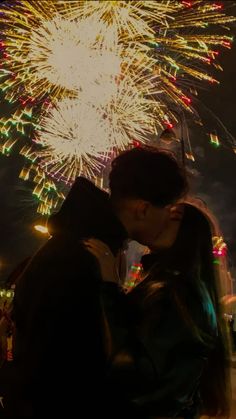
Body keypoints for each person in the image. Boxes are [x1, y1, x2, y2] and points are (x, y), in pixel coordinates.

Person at [1, 146, 187, 418]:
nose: (169, 219)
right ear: (143, 209)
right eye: (167, 209)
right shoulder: (84, 255)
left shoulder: (90, 245)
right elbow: (64, 368)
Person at [85, 201, 231, 418]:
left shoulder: (177, 292)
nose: (162, 217)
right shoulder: (176, 285)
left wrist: (108, 287)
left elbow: (134, 371)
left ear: (189, 233)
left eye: (174, 217)